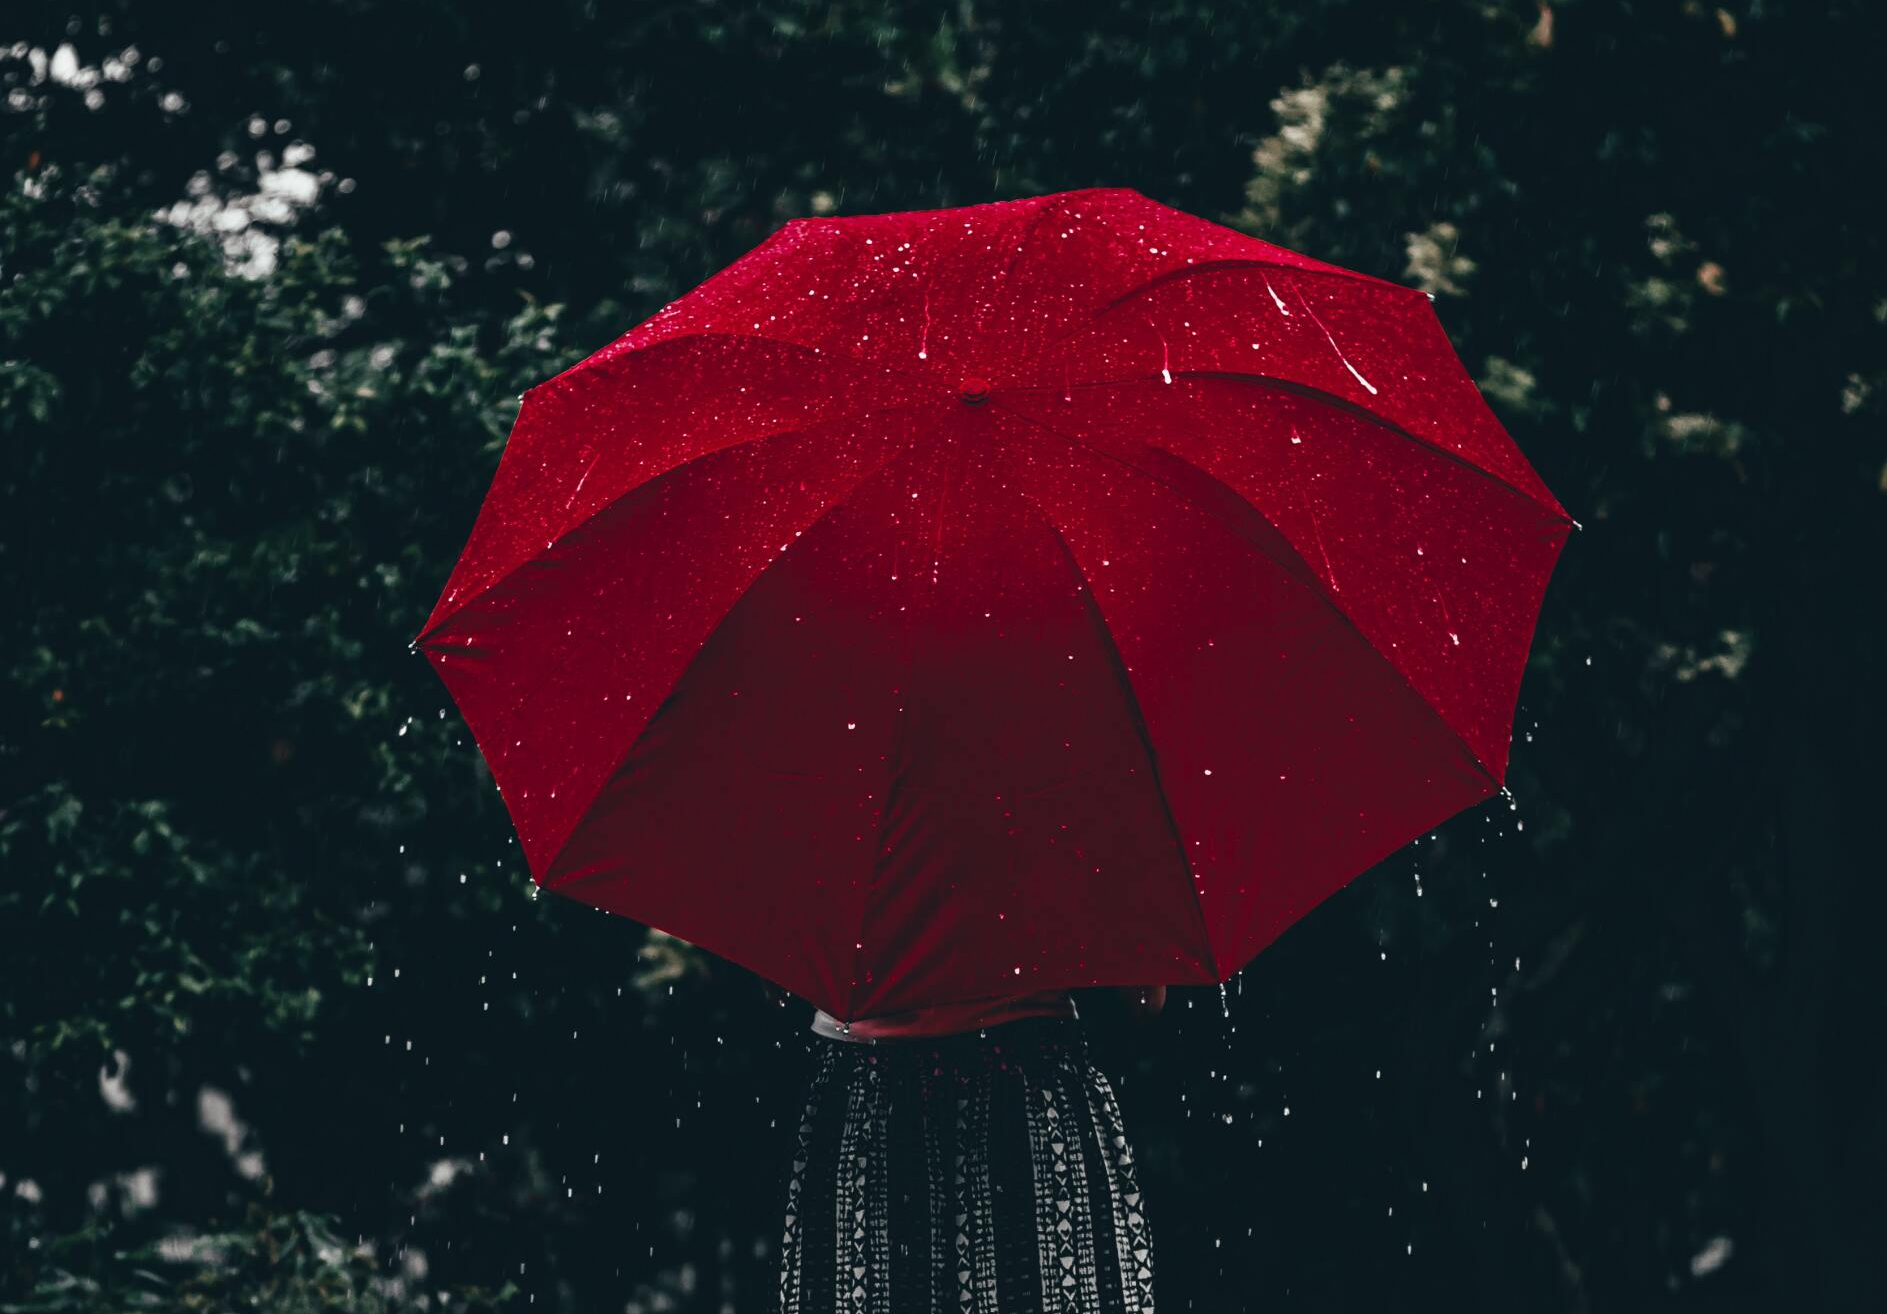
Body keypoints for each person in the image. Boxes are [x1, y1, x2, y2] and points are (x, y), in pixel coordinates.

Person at [766, 975, 1166, 1312]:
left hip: (868, 1102)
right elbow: (1144, 999)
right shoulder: (1067, 877)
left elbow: (781, 982)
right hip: (1031, 1105)